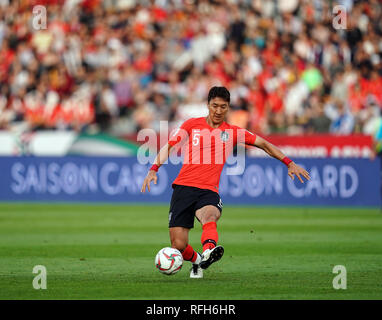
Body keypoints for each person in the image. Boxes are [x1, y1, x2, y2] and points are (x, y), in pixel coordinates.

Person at [141, 86, 310, 278]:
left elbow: (264, 144)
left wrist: (289, 163)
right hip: (183, 188)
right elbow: (169, 146)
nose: (219, 111)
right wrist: (153, 169)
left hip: (208, 190)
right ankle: (198, 261)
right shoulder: (191, 125)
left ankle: (209, 251)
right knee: (178, 246)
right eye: (215, 106)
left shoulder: (233, 132)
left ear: (228, 108)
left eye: (223, 107)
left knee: (210, 216)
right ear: (208, 105)